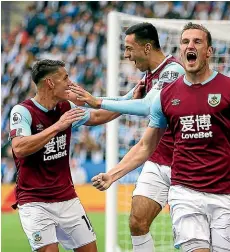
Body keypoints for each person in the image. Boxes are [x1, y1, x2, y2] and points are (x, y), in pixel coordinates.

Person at [92, 23, 230, 251]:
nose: (190, 45)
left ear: (209, 51)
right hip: (184, 191)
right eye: (185, 42)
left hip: (226, 191)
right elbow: (146, 145)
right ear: (181, 50)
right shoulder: (165, 96)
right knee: (138, 221)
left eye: (197, 41)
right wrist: (113, 175)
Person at [70, 22, 185, 252]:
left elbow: (144, 106)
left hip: (184, 164)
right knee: (137, 222)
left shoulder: (173, 71)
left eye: (129, 48)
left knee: (188, 234)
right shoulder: (149, 77)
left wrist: (95, 100)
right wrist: (75, 116)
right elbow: (118, 107)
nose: (126, 55)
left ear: (147, 47)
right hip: (156, 159)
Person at [9, 59, 125, 252]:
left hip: (66, 198)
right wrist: (57, 126)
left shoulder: (65, 108)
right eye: (65, 78)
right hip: (34, 201)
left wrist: (131, 100)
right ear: (50, 83)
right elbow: (19, 148)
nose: (70, 82)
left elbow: (96, 116)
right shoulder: (23, 111)